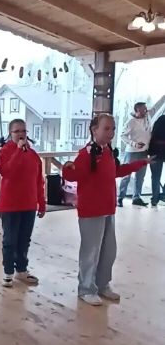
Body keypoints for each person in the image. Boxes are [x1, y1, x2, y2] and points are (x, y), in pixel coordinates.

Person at [63, 113, 150, 306]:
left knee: (108, 250)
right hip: (91, 210)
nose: (111, 132)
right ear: (95, 130)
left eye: (113, 129)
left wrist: (141, 163)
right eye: (107, 128)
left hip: (108, 208)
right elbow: (73, 175)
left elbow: (116, 172)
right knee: (91, 251)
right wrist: (67, 168)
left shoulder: (108, 152)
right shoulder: (87, 154)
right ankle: (86, 288)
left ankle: (102, 284)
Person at [0, 118, 45, 288]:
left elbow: (39, 181)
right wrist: (18, 151)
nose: (21, 134)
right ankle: (8, 272)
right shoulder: (4, 152)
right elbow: (7, 172)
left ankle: (22, 270)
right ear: (10, 134)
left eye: (24, 131)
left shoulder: (33, 155)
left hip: (29, 204)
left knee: (24, 240)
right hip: (10, 204)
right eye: (17, 131)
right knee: (10, 240)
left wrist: (41, 202)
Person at [118, 96, 165, 206]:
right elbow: (123, 135)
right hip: (132, 152)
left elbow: (157, 106)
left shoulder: (148, 116)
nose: (146, 110)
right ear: (137, 109)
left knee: (140, 177)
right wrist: (133, 143)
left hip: (144, 152)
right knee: (126, 175)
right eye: (144, 108)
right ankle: (120, 197)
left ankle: (136, 197)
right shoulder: (131, 122)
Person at [149, 114, 165, 207]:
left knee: (155, 176)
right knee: (155, 176)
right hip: (157, 150)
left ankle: (155, 198)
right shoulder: (161, 119)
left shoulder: (160, 119)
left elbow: (152, 134)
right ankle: (160, 196)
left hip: (155, 150)